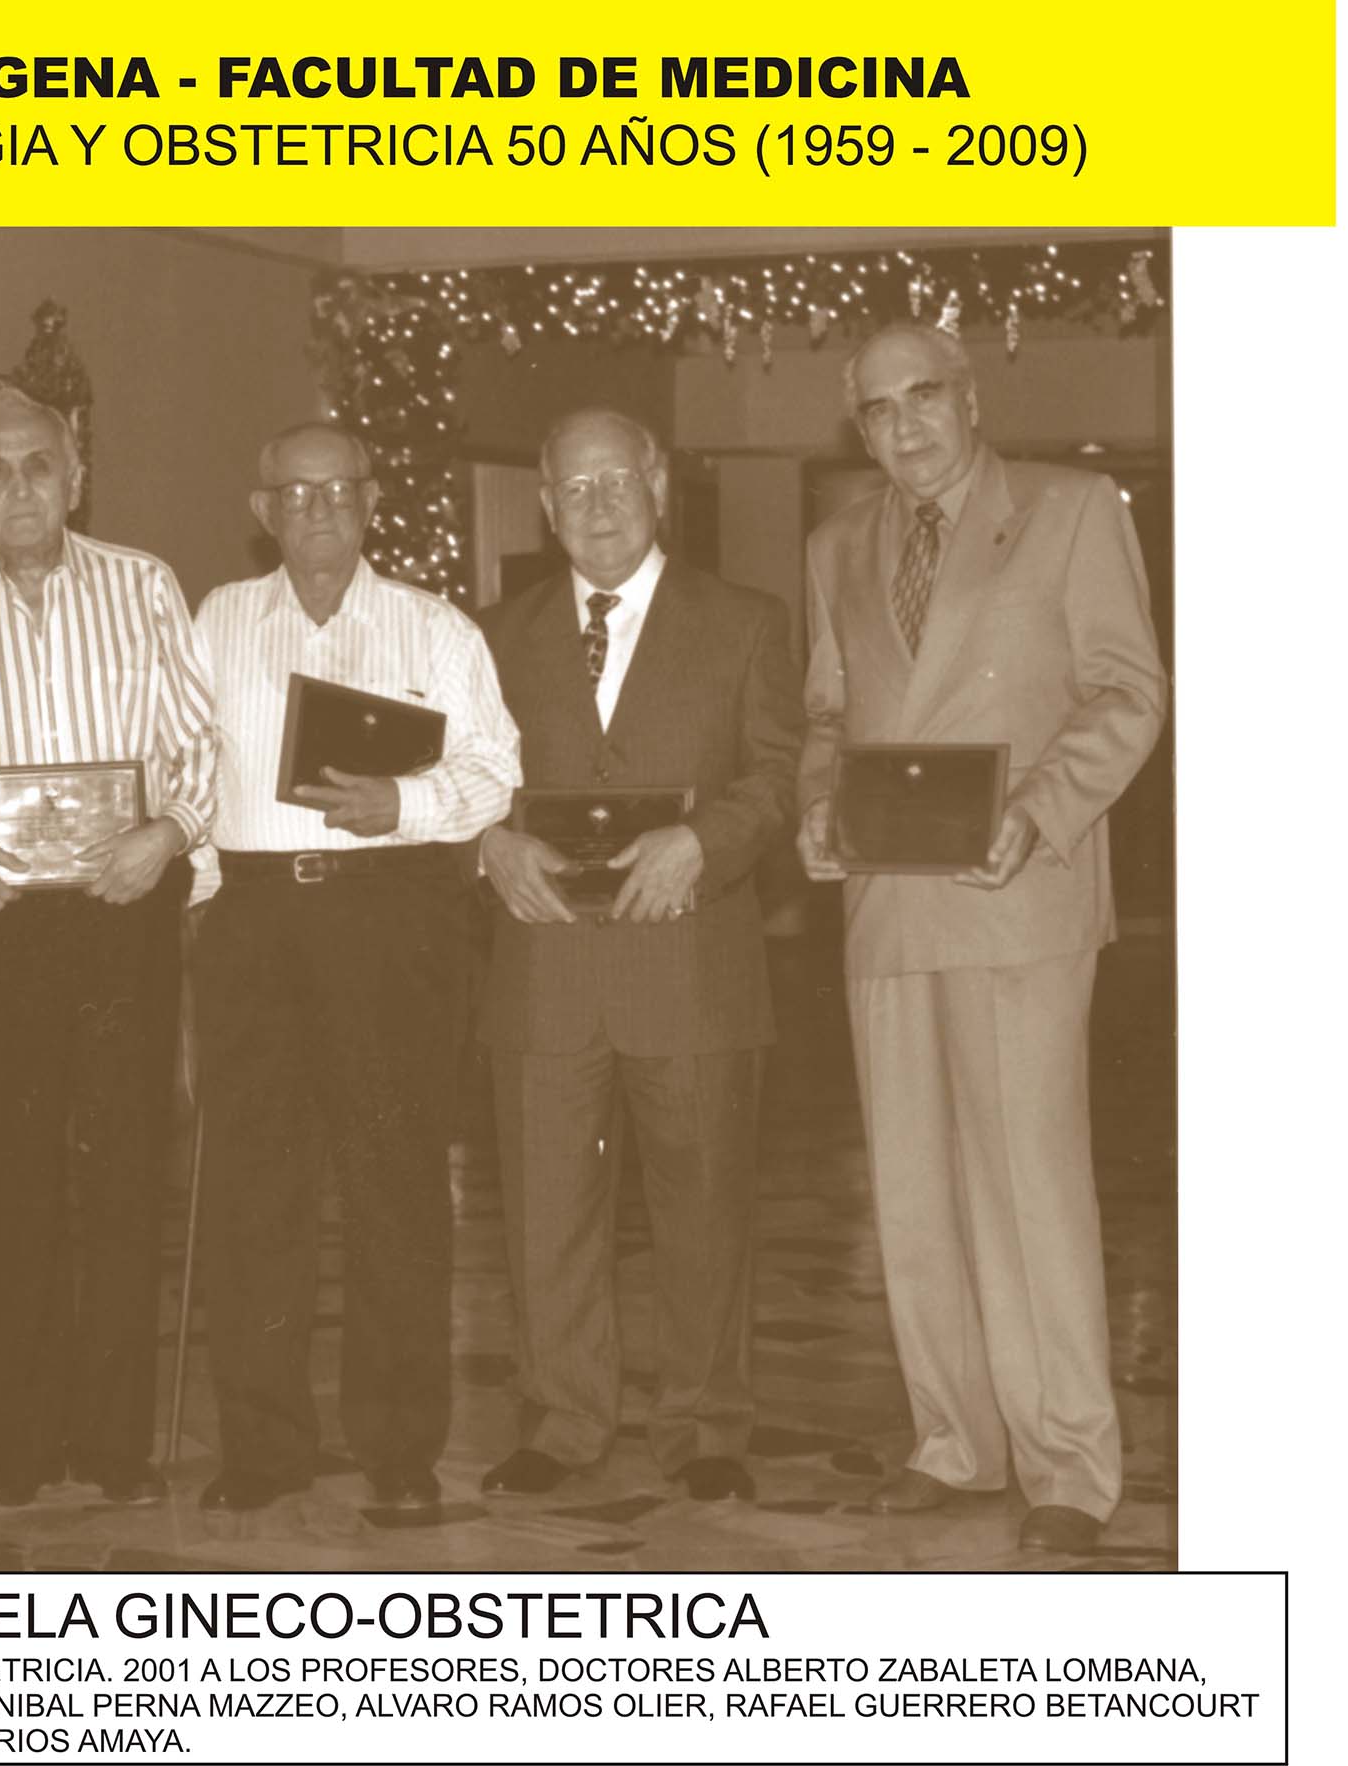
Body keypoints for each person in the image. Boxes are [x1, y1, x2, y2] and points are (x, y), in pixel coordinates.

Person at [800, 323, 1166, 1555]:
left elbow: (1128, 690)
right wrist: (816, 805)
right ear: (858, 427)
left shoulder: (1068, 510)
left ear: (968, 400)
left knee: (1028, 1185)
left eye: (923, 397)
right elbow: (827, 709)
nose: (903, 424)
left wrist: (1040, 807)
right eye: (877, 408)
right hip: (886, 902)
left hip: (1018, 891)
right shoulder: (834, 543)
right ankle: (952, 1440)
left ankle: (1067, 1462)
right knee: (910, 1192)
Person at [0, 383, 219, 1507]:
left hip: (123, 909)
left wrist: (168, 832)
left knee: (122, 1173)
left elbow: (197, 741)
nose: (18, 488)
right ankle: (22, 1440)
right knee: (14, 1176)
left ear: (76, 479)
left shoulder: (144, 584)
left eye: (38, 466)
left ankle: (115, 1441)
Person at [190, 422, 522, 1516]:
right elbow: (181, 769)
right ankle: (262, 1446)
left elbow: (495, 770)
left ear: (372, 503)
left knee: (395, 1188)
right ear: (263, 511)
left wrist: (406, 802)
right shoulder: (215, 621)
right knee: (255, 1193)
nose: (320, 509)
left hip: (392, 917)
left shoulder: (435, 628)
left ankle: (398, 1447)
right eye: (297, 492)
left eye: (339, 490)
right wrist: (200, 904)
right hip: (254, 923)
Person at [474, 410, 801, 1504]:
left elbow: (778, 773)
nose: (599, 503)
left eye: (618, 479)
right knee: (544, 1213)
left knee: (703, 1209)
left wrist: (703, 841)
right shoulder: (492, 635)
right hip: (545, 966)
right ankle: (561, 1418)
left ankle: (705, 1424)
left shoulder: (745, 621)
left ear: (658, 484)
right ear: (545, 505)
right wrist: (487, 842)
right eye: (575, 487)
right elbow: (456, 779)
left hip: (691, 963)